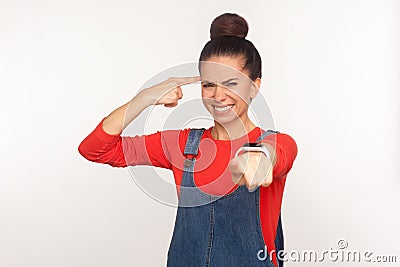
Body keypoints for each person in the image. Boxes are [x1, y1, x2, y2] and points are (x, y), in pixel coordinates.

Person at [78, 13, 297, 267]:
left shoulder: (277, 143)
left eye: (231, 83)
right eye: (208, 85)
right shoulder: (183, 146)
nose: (218, 96)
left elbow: (275, 157)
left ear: (254, 86)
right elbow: (94, 150)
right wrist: (145, 98)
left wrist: (259, 159)